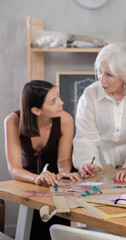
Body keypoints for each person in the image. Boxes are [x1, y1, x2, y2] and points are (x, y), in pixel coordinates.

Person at [72, 43, 126, 183]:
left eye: (109, 75)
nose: (101, 79)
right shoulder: (90, 94)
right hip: (101, 167)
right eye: (100, 71)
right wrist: (90, 164)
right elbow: (86, 138)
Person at [4, 80, 79, 240]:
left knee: (56, 228)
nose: (61, 102)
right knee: (30, 230)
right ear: (36, 110)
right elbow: (15, 169)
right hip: (28, 181)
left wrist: (64, 171)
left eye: (58, 97)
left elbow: (64, 159)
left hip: (56, 183)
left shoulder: (65, 119)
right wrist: (36, 178)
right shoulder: (12, 121)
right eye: (53, 101)